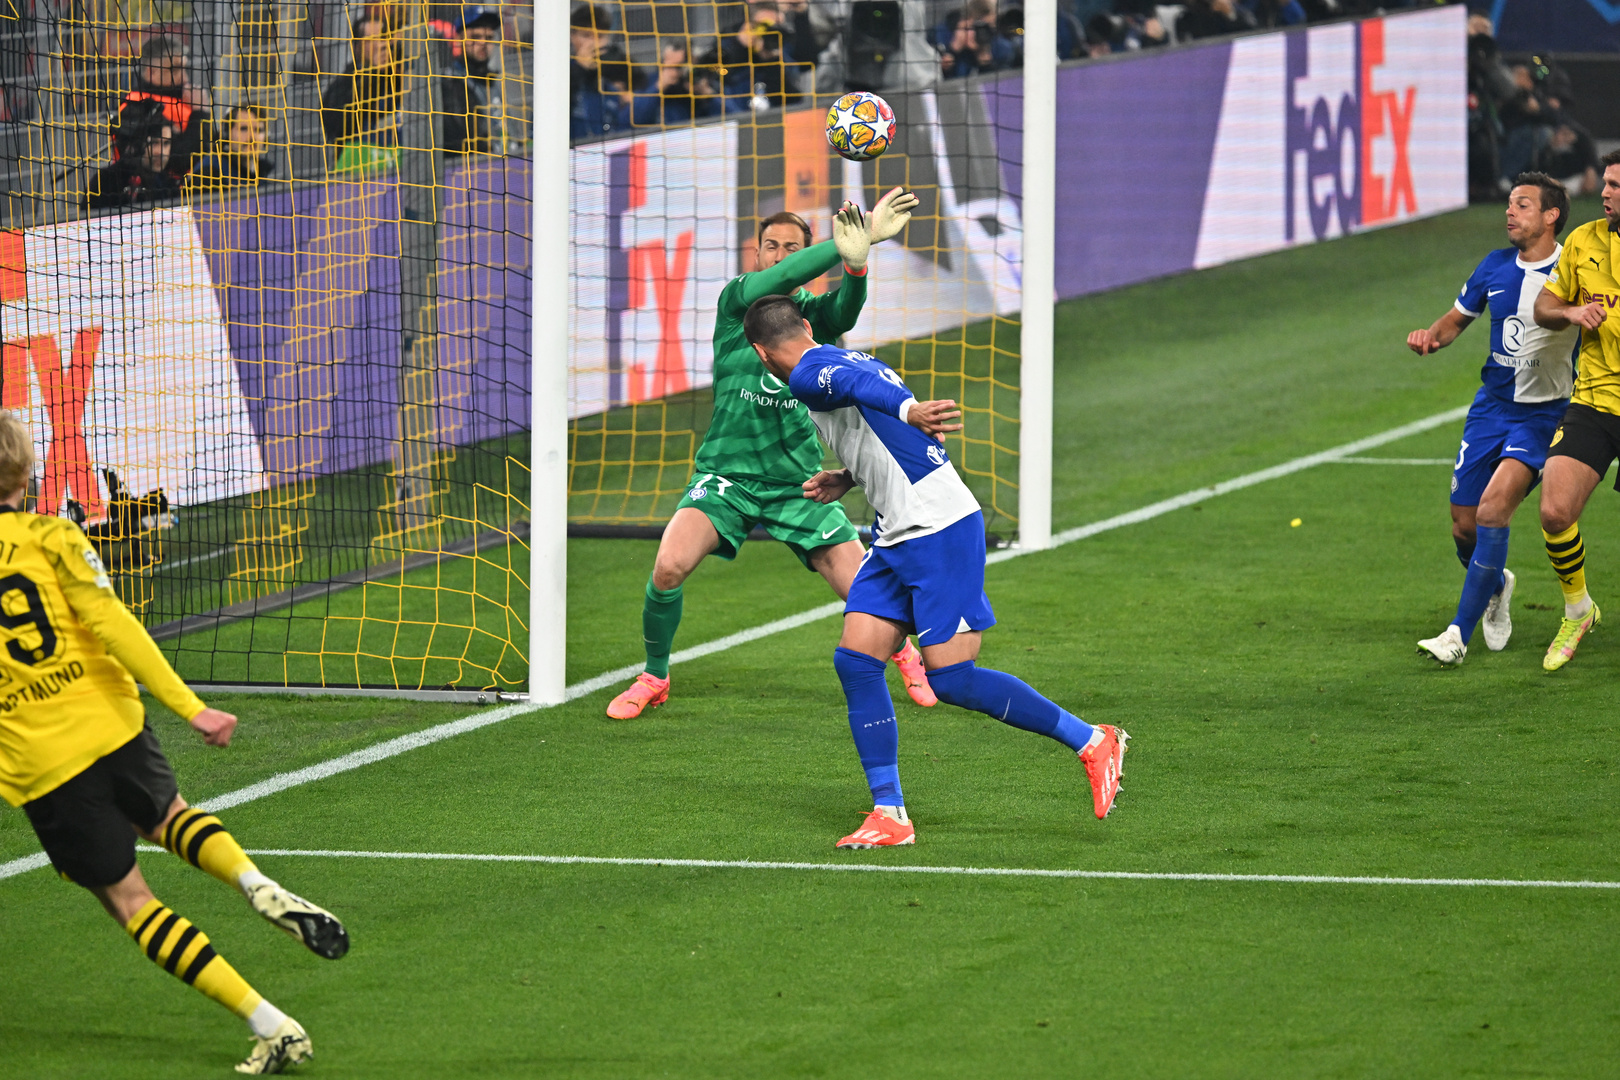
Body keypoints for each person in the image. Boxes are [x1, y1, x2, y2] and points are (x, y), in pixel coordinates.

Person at [0, 413, 347, 1074]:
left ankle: (270, 1024)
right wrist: (190, 707)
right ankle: (253, 881)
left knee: (133, 903)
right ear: (25, 471)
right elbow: (114, 624)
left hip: (42, 762)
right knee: (172, 818)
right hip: (113, 721)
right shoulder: (54, 535)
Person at [740, 277, 1128, 849]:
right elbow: (876, 417)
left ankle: (1093, 741)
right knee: (857, 661)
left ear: (762, 353)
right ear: (807, 328)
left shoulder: (807, 373)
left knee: (951, 677)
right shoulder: (844, 357)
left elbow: (862, 392)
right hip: (897, 532)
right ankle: (889, 813)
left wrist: (909, 407)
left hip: (937, 527)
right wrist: (849, 475)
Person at [604, 189, 934, 721]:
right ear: (754, 254)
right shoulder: (737, 303)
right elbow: (776, 283)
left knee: (862, 590)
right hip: (726, 477)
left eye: (791, 248)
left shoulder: (808, 321)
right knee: (668, 567)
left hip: (799, 482)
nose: (780, 257)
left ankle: (906, 653)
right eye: (771, 246)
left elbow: (847, 308)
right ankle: (654, 675)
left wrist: (855, 263)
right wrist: (849, 237)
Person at [1406, 173, 1577, 665]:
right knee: (1464, 527)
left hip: (1543, 417)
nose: (1509, 212)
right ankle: (1496, 582)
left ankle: (1457, 635)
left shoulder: (1573, 269)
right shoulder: (1494, 267)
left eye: (1522, 205)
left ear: (1550, 216)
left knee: (1491, 511)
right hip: (1491, 410)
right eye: (1508, 203)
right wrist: (1430, 337)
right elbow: (1455, 320)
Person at [1530, 149, 1620, 670]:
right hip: (1594, 401)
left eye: (1615, 186)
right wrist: (1570, 311)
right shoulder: (1583, 240)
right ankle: (1577, 608)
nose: (1604, 192)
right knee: (1554, 510)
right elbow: (1545, 307)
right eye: (1605, 183)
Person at [110, 35, 210, 180]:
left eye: (183, 68)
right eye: (175, 69)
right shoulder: (134, 107)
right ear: (152, 71)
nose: (185, 78)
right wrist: (200, 114)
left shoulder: (183, 101)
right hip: (148, 196)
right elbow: (179, 160)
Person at [321, 15, 403, 165]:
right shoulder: (342, 86)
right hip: (358, 175)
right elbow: (337, 126)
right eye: (373, 40)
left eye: (384, 37)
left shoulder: (400, 81)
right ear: (356, 47)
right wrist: (372, 74)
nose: (381, 45)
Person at [86, 99, 181, 209]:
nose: (161, 152)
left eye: (166, 144)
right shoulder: (106, 182)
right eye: (153, 143)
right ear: (135, 144)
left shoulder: (168, 186)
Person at [440, 6, 502, 157]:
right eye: (475, 37)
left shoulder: (493, 82)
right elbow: (462, 141)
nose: (483, 43)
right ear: (459, 40)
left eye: (488, 38)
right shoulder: (451, 83)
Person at [569, 3, 631, 139]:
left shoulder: (619, 66)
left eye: (600, 37)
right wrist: (579, 69)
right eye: (586, 36)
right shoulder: (558, 73)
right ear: (572, 36)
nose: (593, 44)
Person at [186, 104, 275, 191]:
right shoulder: (209, 174)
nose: (252, 137)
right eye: (244, 129)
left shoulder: (264, 175)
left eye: (258, 130)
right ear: (227, 134)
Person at [937, 0, 1014, 79]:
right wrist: (953, 51)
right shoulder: (954, 48)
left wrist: (985, 62)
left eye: (987, 28)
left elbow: (1003, 85)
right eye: (975, 28)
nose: (981, 33)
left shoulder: (1002, 48)